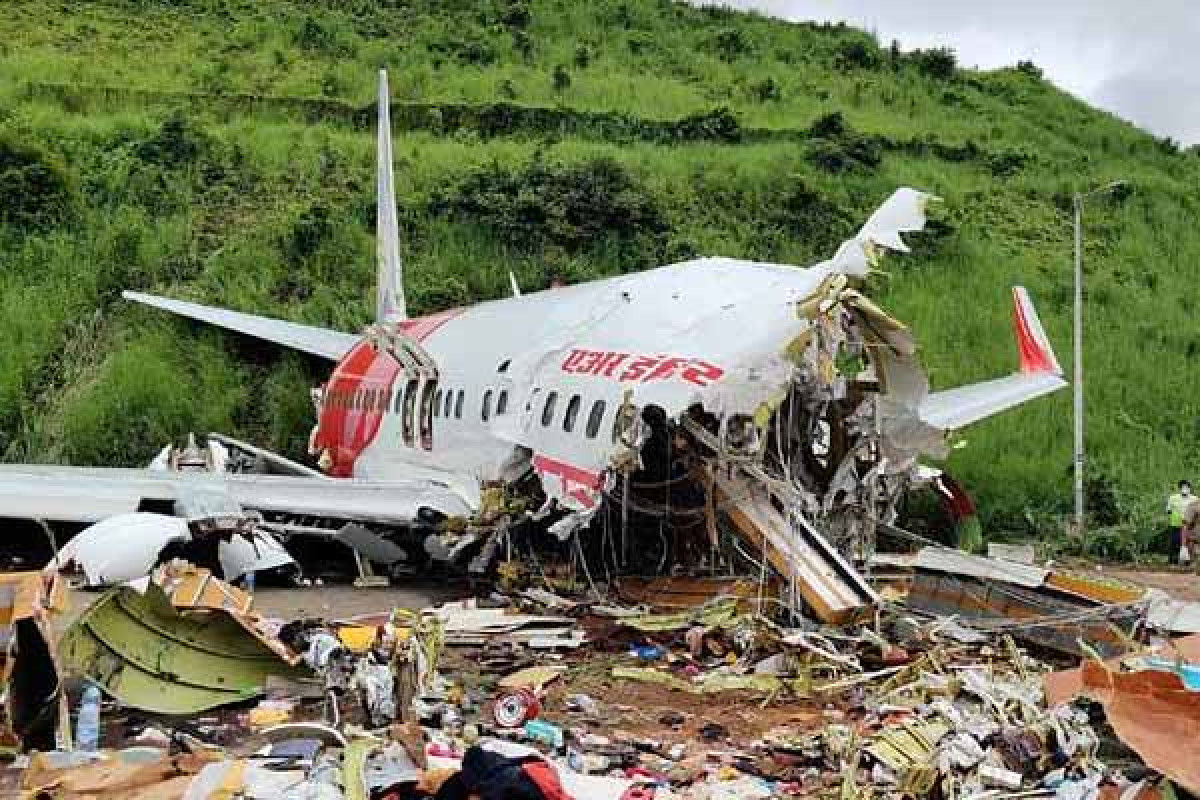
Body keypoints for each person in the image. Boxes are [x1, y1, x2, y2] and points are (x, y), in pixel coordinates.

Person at [1167, 480, 1193, 565]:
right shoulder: (1173, 498)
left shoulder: (1194, 499)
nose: (1185, 489)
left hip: (1189, 526)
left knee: (1187, 544)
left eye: (1186, 487)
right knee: (1174, 543)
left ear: (1189, 488)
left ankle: (1186, 563)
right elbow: (1168, 510)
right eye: (1183, 487)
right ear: (1180, 488)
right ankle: (1172, 562)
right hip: (1175, 524)